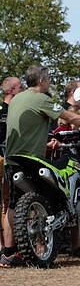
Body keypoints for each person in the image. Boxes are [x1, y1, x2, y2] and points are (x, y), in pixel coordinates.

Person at [2, 65, 80, 267]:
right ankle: (38, 246)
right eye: (47, 79)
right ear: (41, 81)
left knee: (13, 204)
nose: (49, 82)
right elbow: (70, 117)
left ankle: (9, 252)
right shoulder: (42, 99)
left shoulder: (17, 99)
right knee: (44, 196)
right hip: (31, 158)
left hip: (12, 157)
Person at [0, 76, 23, 259]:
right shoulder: (2, 110)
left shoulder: (18, 110)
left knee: (9, 202)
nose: (23, 88)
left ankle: (12, 247)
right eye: (20, 86)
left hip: (12, 160)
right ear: (11, 90)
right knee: (5, 204)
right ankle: (5, 248)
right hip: (2, 159)